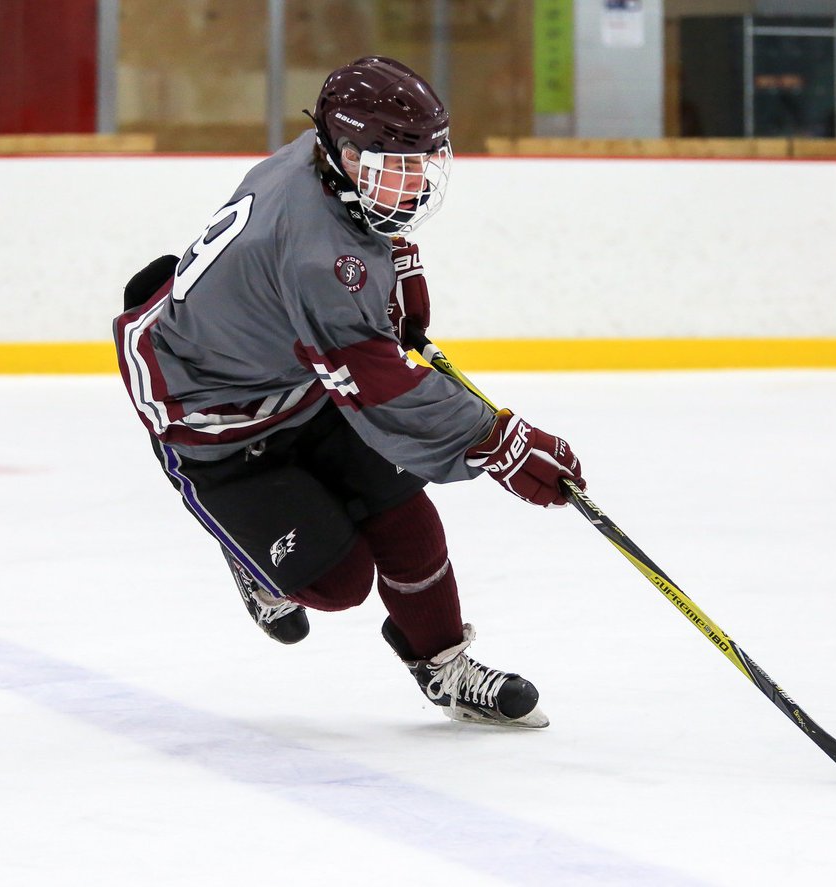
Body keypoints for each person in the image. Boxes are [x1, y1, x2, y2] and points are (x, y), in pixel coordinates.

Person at [113, 57, 586, 729]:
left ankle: (443, 666)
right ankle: (252, 558)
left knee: (405, 515)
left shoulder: (323, 157)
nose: (414, 182)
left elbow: (356, 238)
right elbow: (382, 389)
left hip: (293, 372)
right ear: (349, 152)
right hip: (210, 412)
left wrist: (395, 258)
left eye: (422, 163)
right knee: (339, 583)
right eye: (398, 167)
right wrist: (498, 439)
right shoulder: (314, 258)